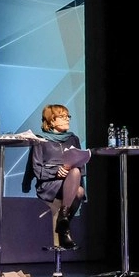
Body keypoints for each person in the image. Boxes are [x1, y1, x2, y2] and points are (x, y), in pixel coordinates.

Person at [20, 103, 90, 249]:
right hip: (50, 184)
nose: (67, 119)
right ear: (51, 121)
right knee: (78, 187)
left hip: (72, 181)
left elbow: (81, 168)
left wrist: (71, 169)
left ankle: (63, 220)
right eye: (62, 117)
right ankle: (64, 224)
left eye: (68, 116)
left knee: (79, 187)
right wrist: (57, 172)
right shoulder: (40, 140)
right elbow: (36, 169)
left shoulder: (73, 139)